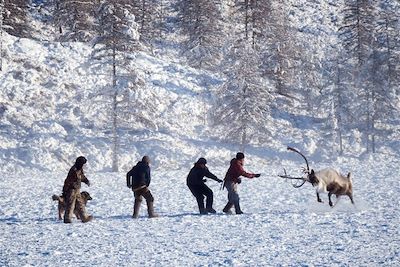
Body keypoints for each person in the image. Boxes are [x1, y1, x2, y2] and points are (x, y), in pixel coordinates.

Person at [62, 156, 93, 223]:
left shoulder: (79, 169)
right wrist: (64, 191)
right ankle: (67, 219)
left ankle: (84, 218)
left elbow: (81, 176)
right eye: (83, 164)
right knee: (70, 204)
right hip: (71, 190)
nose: (83, 165)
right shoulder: (73, 170)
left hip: (77, 189)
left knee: (80, 204)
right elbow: (68, 181)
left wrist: (86, 180)